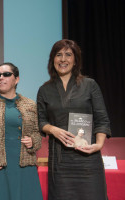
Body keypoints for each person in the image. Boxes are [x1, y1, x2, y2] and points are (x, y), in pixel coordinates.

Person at [37, 39, 111, 200]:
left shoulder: (90, 85)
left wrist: (98, 145)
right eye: (59, 55)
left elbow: (102, 120)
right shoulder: (44, 90)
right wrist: (52, 129)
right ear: (53, 60)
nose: (63, 59)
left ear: (75, 60)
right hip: (60, 161)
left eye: (68, 55)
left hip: (88, 159)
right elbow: (40, 121)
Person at [0, 63, 43, 200]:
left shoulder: (30, 105)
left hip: (25, 167)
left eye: (6, 74)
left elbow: (38, 133)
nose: (1, 78)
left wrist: (33, 141)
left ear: (17, 79)